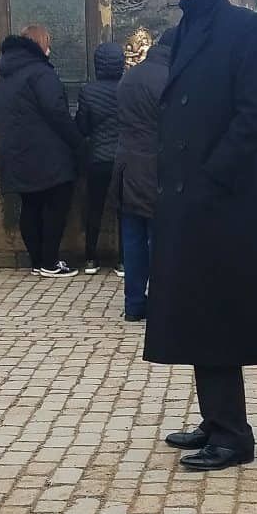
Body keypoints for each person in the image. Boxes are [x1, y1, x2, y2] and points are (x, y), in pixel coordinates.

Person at [144, 0, 257, 472]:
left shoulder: (244, 28)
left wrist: (212, 176)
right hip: (187, 198)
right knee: (198, 314)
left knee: (219, 315)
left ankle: (233, 434)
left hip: (220, 200)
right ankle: (214, 418)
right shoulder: (184, 29)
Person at [0, 24, 82, 278]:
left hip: (16, 153)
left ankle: (37, 261)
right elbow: (57, 112)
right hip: (48, 155)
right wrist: (78, 143)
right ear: (42, 45)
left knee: (30, 206)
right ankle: (50, 262)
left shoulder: (4, 77)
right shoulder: (41, 73)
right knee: (56, 206)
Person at [112, 30, 174, 322]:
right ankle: (163, 302)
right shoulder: (170, 79)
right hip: (159, 169)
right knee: (160, 240)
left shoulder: (130, 76)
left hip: (127, 167)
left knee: (133, 239)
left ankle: (134, 302)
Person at [76, 41, 125, 276]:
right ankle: (123, 260)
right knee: (125, 211)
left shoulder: (88, 91)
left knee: (94, 209)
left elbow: (83, 127)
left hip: (97, 158)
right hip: (123, 158)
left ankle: (90, 258)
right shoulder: (128, 87)